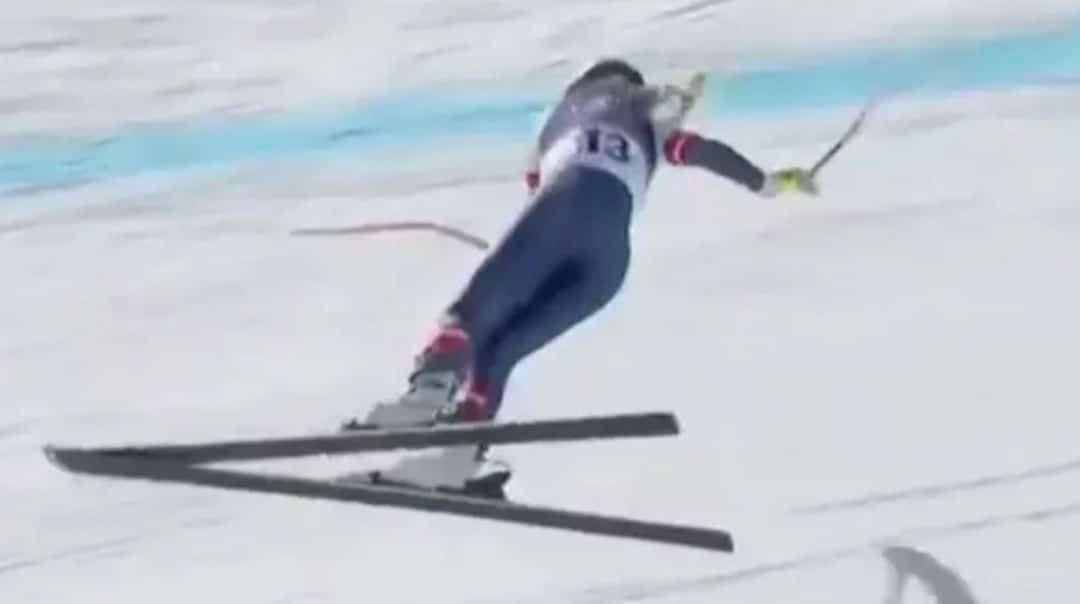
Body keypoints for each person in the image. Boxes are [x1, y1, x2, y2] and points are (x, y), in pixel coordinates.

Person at [348, 58, 819, 496]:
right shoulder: (645, 111)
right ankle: (458, 456)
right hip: (606, 266)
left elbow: (537, 195)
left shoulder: (559, 117)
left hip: (562, 212)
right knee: (502, 349)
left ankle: (427, 396)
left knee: (471, 317)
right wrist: (769, 183)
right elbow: (697, 149)